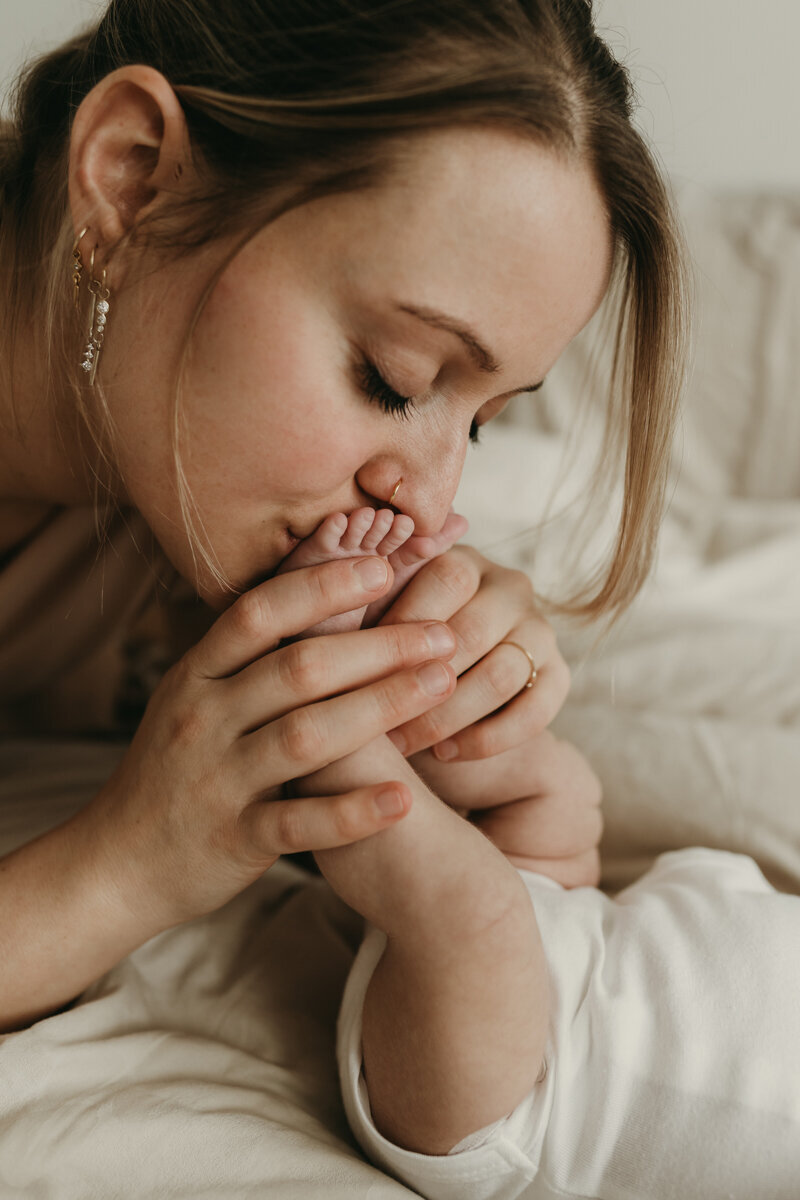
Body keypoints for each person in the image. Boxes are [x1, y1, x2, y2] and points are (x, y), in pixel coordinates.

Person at [0, 0, 684, 1057]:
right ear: (130, 182)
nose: (427, 494)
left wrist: (427, 709)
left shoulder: (176, 480)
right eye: (391, 378)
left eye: (483, 425)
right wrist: (128, 863)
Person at [277, 509, 800, 1200]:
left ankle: (326, 718)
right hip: (580, 919)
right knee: (558, 784)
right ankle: (394, 650)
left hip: (521, 1099)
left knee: (478, 913)